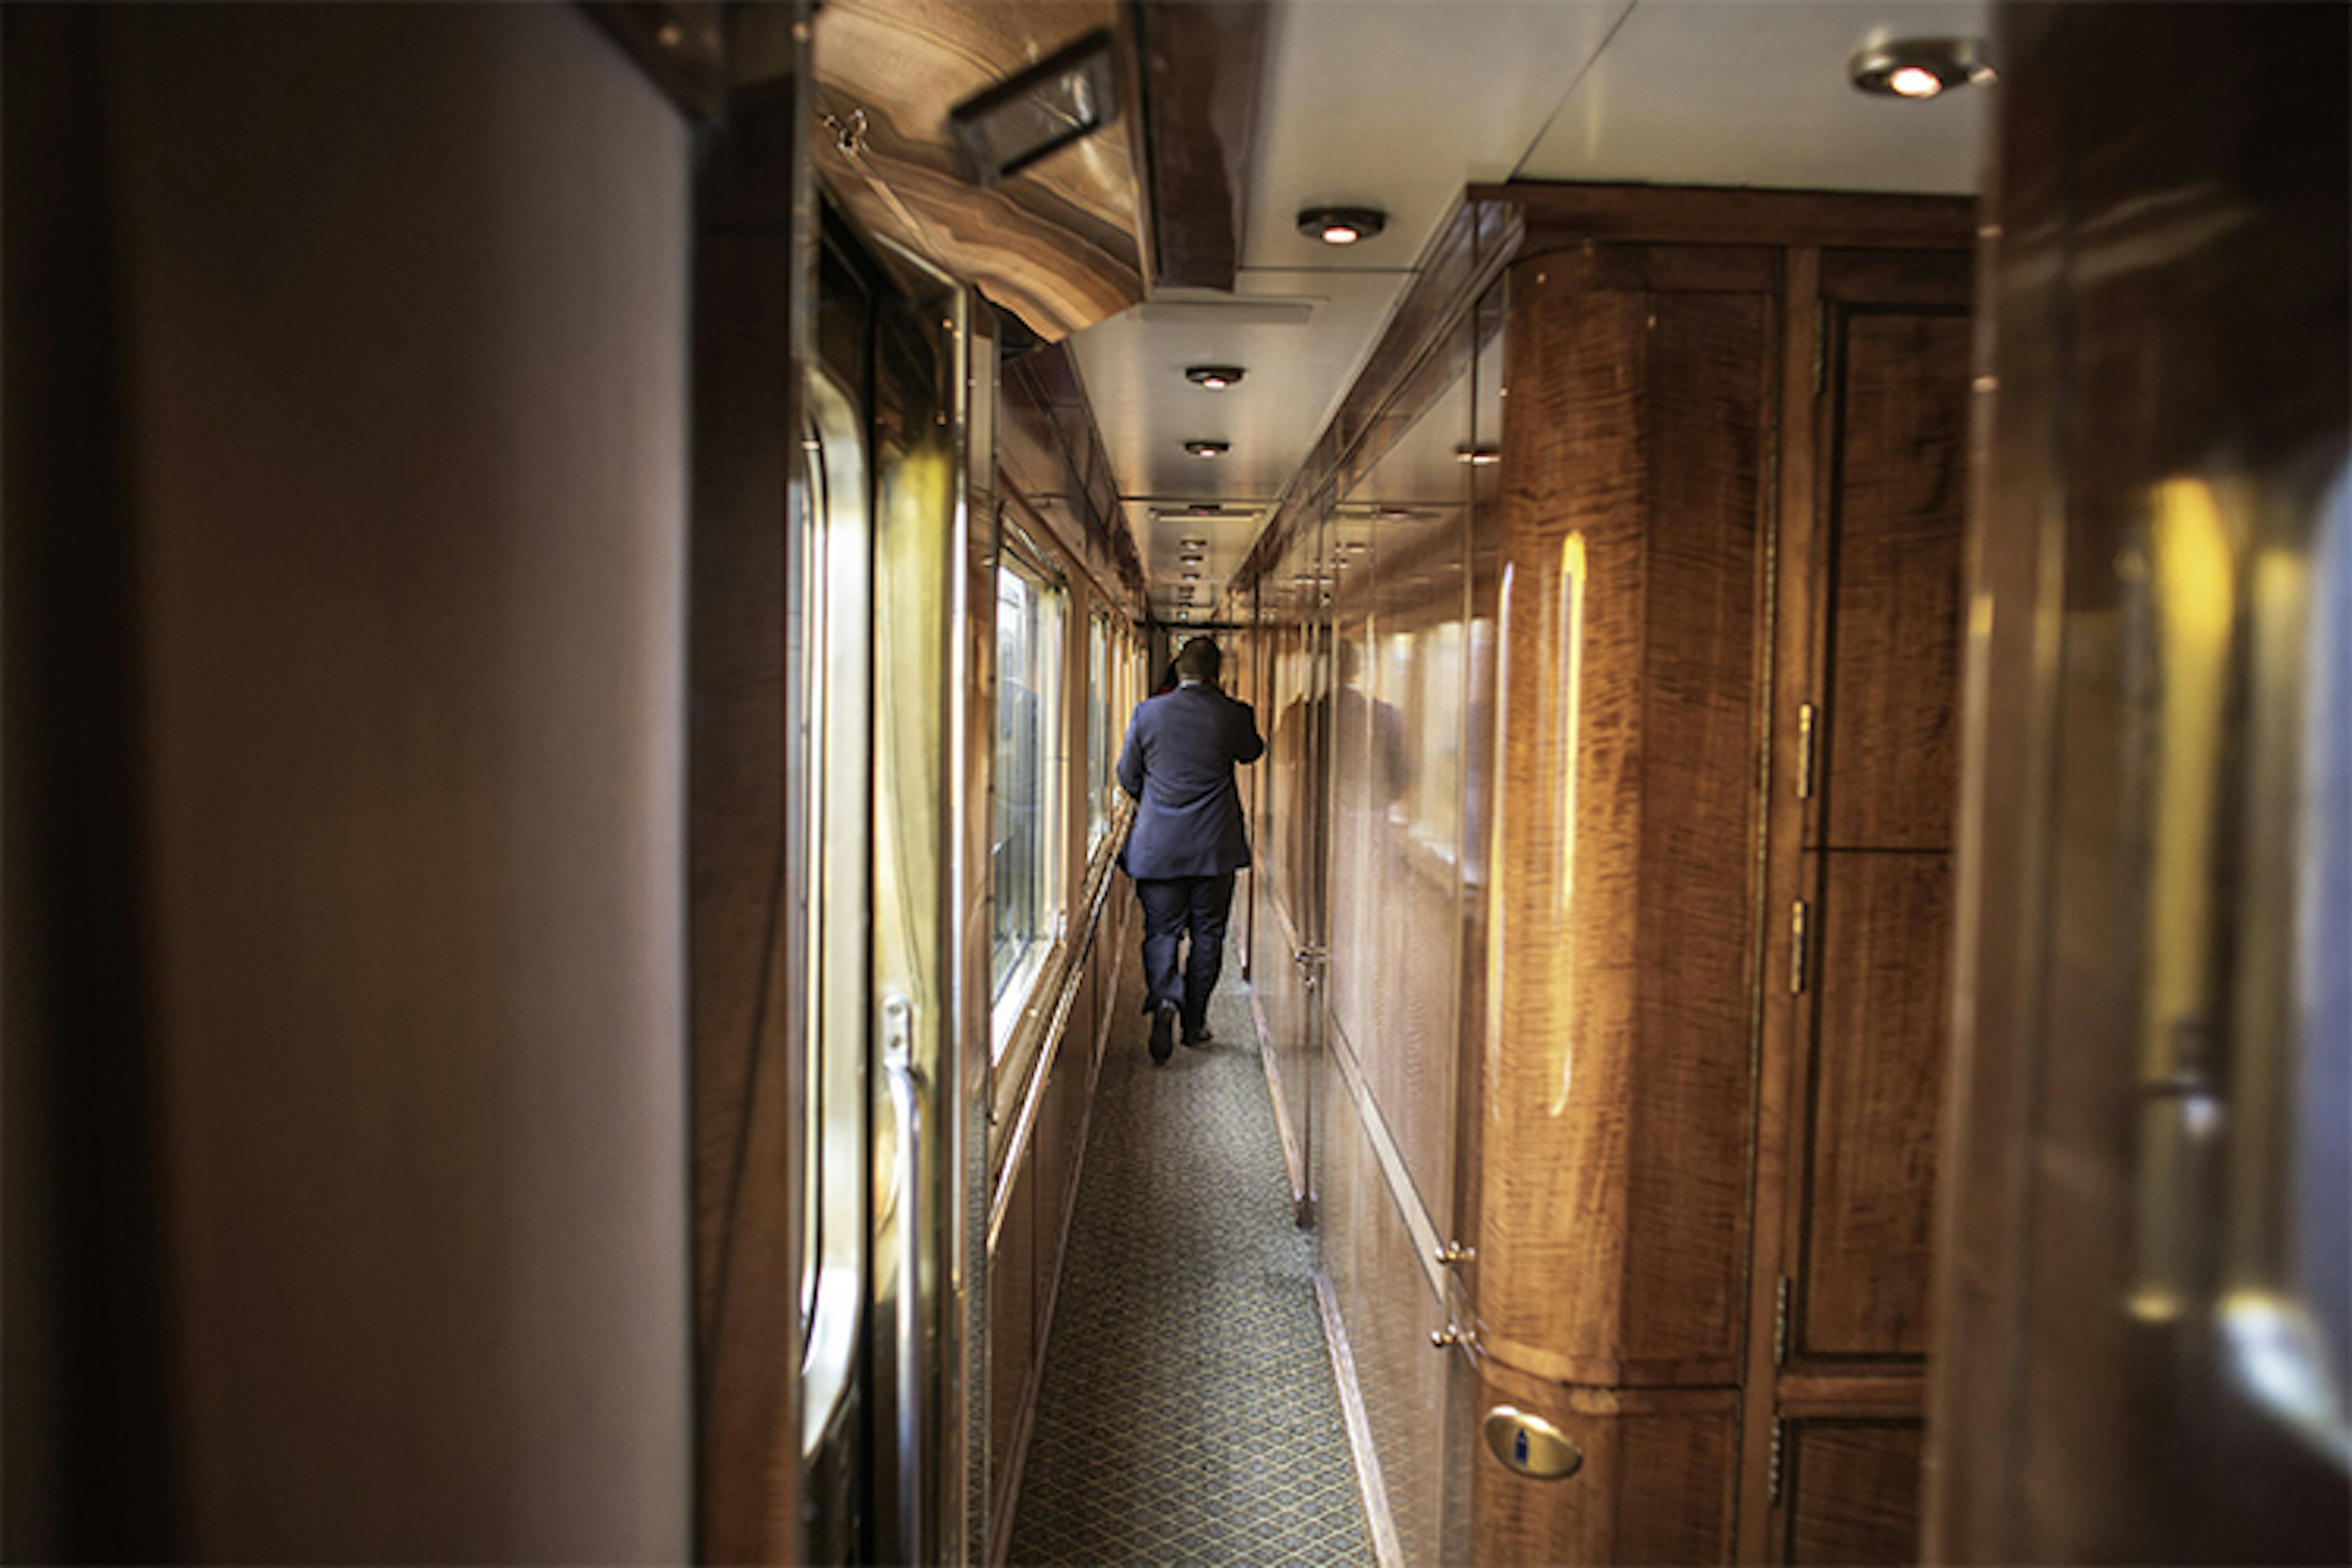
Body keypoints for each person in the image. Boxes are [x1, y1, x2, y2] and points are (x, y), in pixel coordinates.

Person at [1117, 635, 1265, 1063]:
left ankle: (1164, 999)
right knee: (1208, 934)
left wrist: (1160, 804)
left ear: (1178, 671)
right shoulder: (1234, 714)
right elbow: (1252, 752)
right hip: (1214, 848)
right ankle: (1194, 1023)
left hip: (1158, 847)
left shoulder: (1148, 713)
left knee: (1162, 931)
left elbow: (1127, 776)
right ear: (1217, 674)